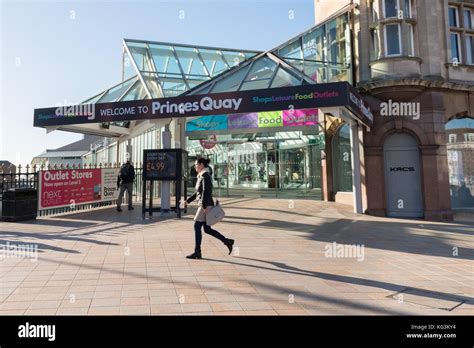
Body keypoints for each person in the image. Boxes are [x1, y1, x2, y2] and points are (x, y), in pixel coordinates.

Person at [183, 157, 234, 259]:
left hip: (205, 205)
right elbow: (198, 192)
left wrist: (204, 206)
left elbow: (207, 191)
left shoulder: (205, 175)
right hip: (205, 204)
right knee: (207, 229)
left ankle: (197, 252)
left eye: (196, 164)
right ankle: (227, 241)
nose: (195, 166)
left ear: (202, 165)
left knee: (197, 226)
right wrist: (187, 201)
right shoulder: (201, 176)